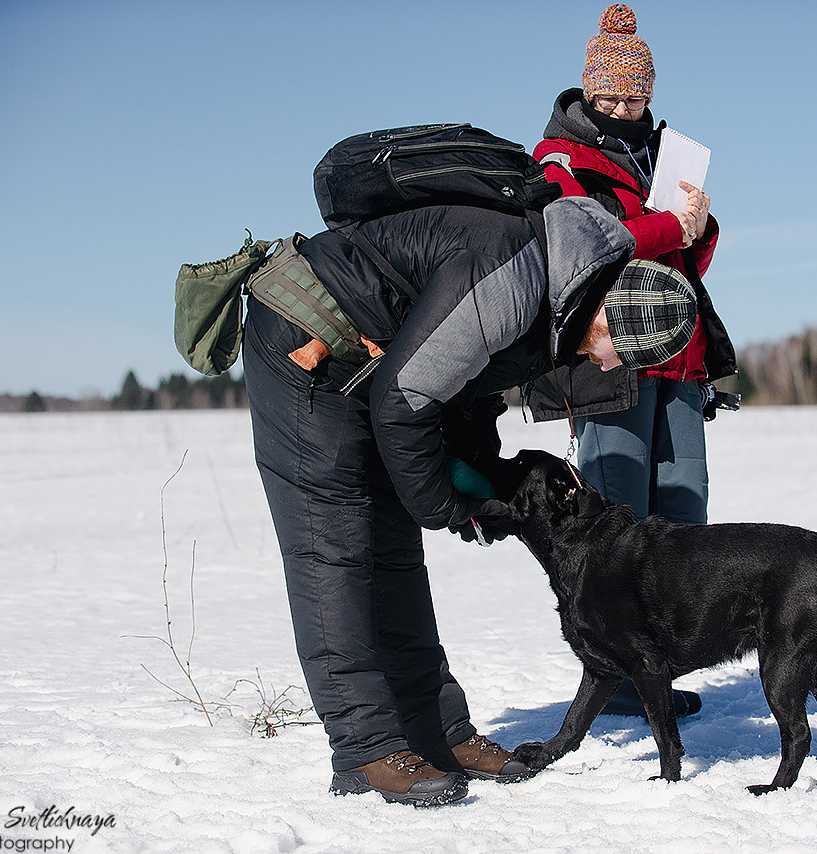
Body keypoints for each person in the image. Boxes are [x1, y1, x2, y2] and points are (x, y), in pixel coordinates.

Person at [243, 195, 700, 807]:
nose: (613, 365)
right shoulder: (515, 278)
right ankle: (365, 748)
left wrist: (480, 473)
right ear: (613, 316)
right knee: (337, 554)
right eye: (628, 354)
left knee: (395, 556)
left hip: (371, 365)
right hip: (306, 343)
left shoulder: (556, 298)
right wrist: (445, 508)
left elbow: (466, 388)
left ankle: (438, 732)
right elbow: (404, 401)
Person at [526, 4, 737, 718]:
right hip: (606, 355)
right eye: (610, 95)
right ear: (587, 89)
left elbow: (682, 261)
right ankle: (614, 677)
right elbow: (588, 242)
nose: (622, 108)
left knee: (683, 512)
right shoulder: (559, 160)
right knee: (615, 518)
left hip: (677, 356)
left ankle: (660, 665)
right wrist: (663, 225)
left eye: (635, 97)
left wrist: (697, 229)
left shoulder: (662, 154)